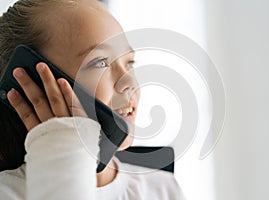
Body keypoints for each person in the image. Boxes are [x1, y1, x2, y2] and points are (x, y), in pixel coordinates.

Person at [0, 0, 186, 199]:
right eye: (100, 62)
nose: (129, 81)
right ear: (32, 85)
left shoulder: (162, 189)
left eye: (129, 62)